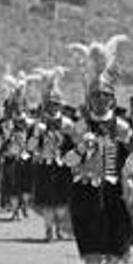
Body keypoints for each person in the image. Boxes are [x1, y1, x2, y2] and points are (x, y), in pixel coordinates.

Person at [65, 44, 133, 264]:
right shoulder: (78, 128)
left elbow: (132, 162)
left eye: (105, 96)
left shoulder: (123, 128)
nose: (101, 100)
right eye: (96, 96)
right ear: (89, 99)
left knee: (122, 239)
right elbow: (66, 162)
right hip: (86, 192)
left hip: (117, 193)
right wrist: (82, 148)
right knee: (92, 242)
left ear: (113, 98)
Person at [29, 78, 74, 242]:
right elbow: (31, 147)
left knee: (62, 202)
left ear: (60, 105)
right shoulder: (38, 125)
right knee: (47, 201)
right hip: (45, 166)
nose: (53, 107)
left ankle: (59, 228)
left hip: (62, 168)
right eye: (50, 104)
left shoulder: (68, 124)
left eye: (56, 104)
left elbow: (74, 146)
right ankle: (48, 229)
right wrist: (36, 135)